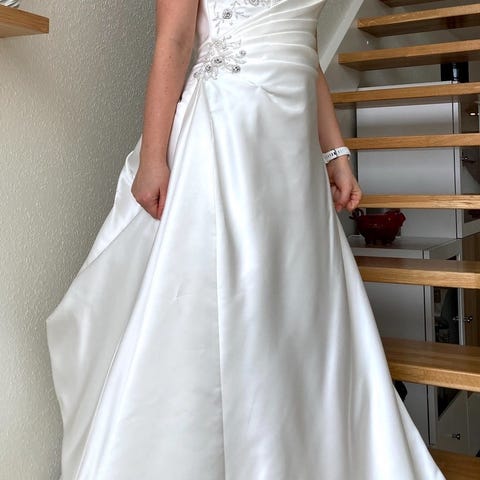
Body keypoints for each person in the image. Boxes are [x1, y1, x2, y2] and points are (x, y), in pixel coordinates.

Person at [46, 1, 445, 478]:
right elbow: (174, 39)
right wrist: (153, 158)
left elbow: (306, 49)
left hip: (292, 149)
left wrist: (336, 152)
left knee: (296, 305)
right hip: (229, 128)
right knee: (232, 297)